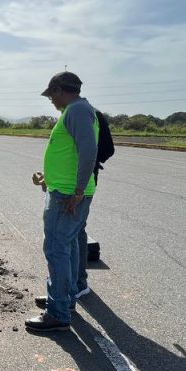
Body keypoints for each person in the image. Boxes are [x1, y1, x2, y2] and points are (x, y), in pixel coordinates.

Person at [26, 72, 98, 333]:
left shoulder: (77, 111)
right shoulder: (78, 110)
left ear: (59, 89)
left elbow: (88, 151)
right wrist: (50, 175)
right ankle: (63, 299)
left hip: (67, 196)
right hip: (66, 190)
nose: (51, 100)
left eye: (51, 95)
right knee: (67, 247)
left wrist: (77, 191)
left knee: (57, 249)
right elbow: (71, 154)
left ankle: (57, 313)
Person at [74, 109, 114, 298]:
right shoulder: (81, 113)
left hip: (77, 186)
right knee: (75, 232)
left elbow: (106, 149)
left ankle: (77, 283)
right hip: (76, 183)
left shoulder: (85, 115)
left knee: (75, 233)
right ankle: (73, 283)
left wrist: (91, 161)